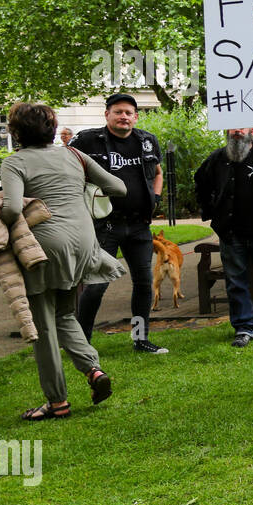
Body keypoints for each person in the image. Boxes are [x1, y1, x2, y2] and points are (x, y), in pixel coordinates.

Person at [0, 102, 127, 419]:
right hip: (84, 242)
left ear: (16, 132)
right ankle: (93, 371)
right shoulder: (74, 155)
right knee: (65, 313)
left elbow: (13, 210)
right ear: (52, 129)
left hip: (45, 246)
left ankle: (57, 403)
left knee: (42, 325)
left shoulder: (14, 162)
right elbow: (118, 187)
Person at [71, 93, 169, 353]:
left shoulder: (147, 141)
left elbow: (157, 173)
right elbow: (68, 172)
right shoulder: (87, 140)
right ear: (107, 115)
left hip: (139, 226)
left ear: (135, 117)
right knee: (96, 285)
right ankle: (82, 343)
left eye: (128, 113)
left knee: (143, 283)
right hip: (105, 227)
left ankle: (140, 338)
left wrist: (156, 197)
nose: (124, 117)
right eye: (118, 112)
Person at [194, 126, 253, 347]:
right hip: (231, 230)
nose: (237, 130)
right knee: (235, 282)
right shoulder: (217, 158)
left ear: (251, 128)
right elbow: (201, 184)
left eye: (242, 125)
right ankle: (244, 327)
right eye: (232, 125)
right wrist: (212, 212)